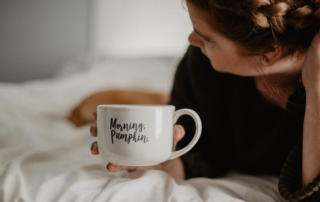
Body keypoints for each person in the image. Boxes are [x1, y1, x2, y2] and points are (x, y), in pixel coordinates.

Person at [90, 0, 320, 200]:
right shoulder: (201, 67)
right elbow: (205, 151)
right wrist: (170, 161)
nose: (192, 40)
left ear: (270, 52)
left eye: (208, 39)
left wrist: (317, 88)